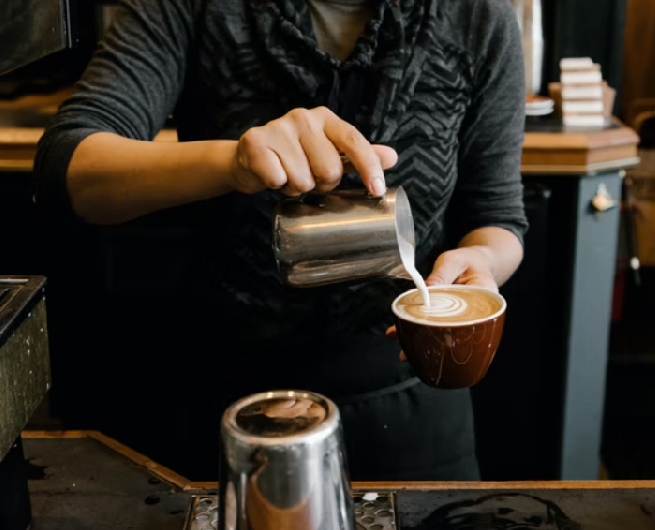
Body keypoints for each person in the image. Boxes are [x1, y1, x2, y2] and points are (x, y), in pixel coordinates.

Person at [34, 0, 528, 481]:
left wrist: (481, 261)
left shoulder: (477, 15)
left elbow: (499, 217)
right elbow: (69, 171)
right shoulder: (194, 9)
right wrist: (233, 163)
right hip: (234, 402)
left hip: (412, 407)